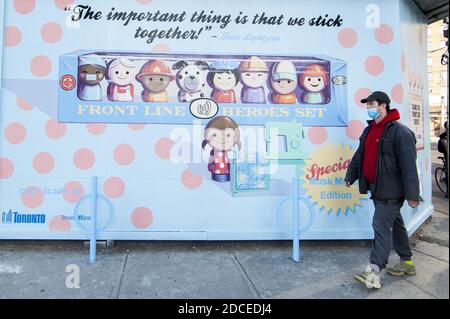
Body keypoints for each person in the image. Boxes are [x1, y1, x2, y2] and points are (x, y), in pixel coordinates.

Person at [344, 91, 421, 289]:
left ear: (383, 105)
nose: (368, 107)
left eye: (372, 104)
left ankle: (374, 270)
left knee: (380, 225)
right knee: (395, 224)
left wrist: (412, 195)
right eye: (367, 104)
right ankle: (407, 262)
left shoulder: (400, 132)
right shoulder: (369, 131)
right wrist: (350, 176)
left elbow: (409, 167)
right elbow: (360, 156)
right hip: (376, 188)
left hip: (392, 191)